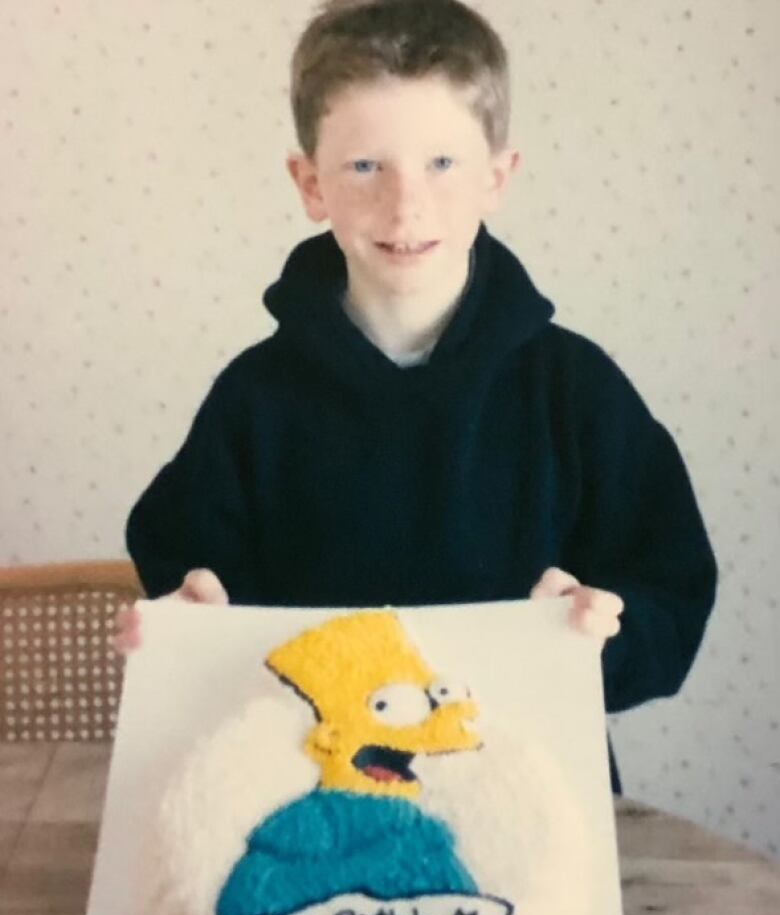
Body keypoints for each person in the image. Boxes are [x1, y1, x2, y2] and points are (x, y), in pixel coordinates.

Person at [116, 0, 717, 792]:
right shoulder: (254, 400)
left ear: (498, 177)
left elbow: (669, 589)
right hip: (317, 793)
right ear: (310, 183)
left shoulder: (576, 391)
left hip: (531, 798)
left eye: (442, 163)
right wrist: (190, 619)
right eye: (366, 166)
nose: (406, 206)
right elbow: (192, 588)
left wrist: (604, 633)